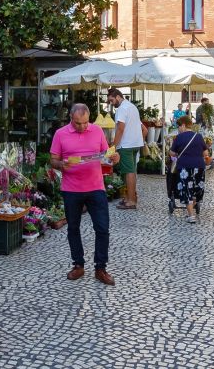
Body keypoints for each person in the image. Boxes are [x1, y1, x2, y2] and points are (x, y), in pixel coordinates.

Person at [49, 103, 118, 286]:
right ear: (71, 118)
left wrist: (113, 157)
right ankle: (78, 264)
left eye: (86, 122)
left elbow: (106, 154)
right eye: (78, 123)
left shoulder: (97, 131)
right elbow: (53, 160)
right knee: (73, 228)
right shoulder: (60, 134)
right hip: (71, 189)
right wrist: (61, 165)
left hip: (96, 187)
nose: (83, 127)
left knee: (102, 228)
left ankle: (100, 268)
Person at [107, 88, 144, 210]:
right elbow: (141, 127)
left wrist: (114, 146)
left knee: (129, 172)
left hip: (126, 145)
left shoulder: (122, 108)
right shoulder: (132, 106)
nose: (112, 103)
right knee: (131, 171)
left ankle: (131, 201)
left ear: (117, 96)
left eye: (112, 100)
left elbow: (120, 128)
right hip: (135, 144)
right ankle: (129, 197)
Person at [169, 115, 209, 224]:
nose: (178, 129)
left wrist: (178, 153)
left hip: (184, 167)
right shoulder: (199, 136)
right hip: (199, 166)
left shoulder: (179, 137)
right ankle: (192, 211)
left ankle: (191, 215)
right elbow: (205, 153)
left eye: (178, 126)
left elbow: (172, 153)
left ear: (183, 125)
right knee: (196, 189)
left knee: (186, 189)